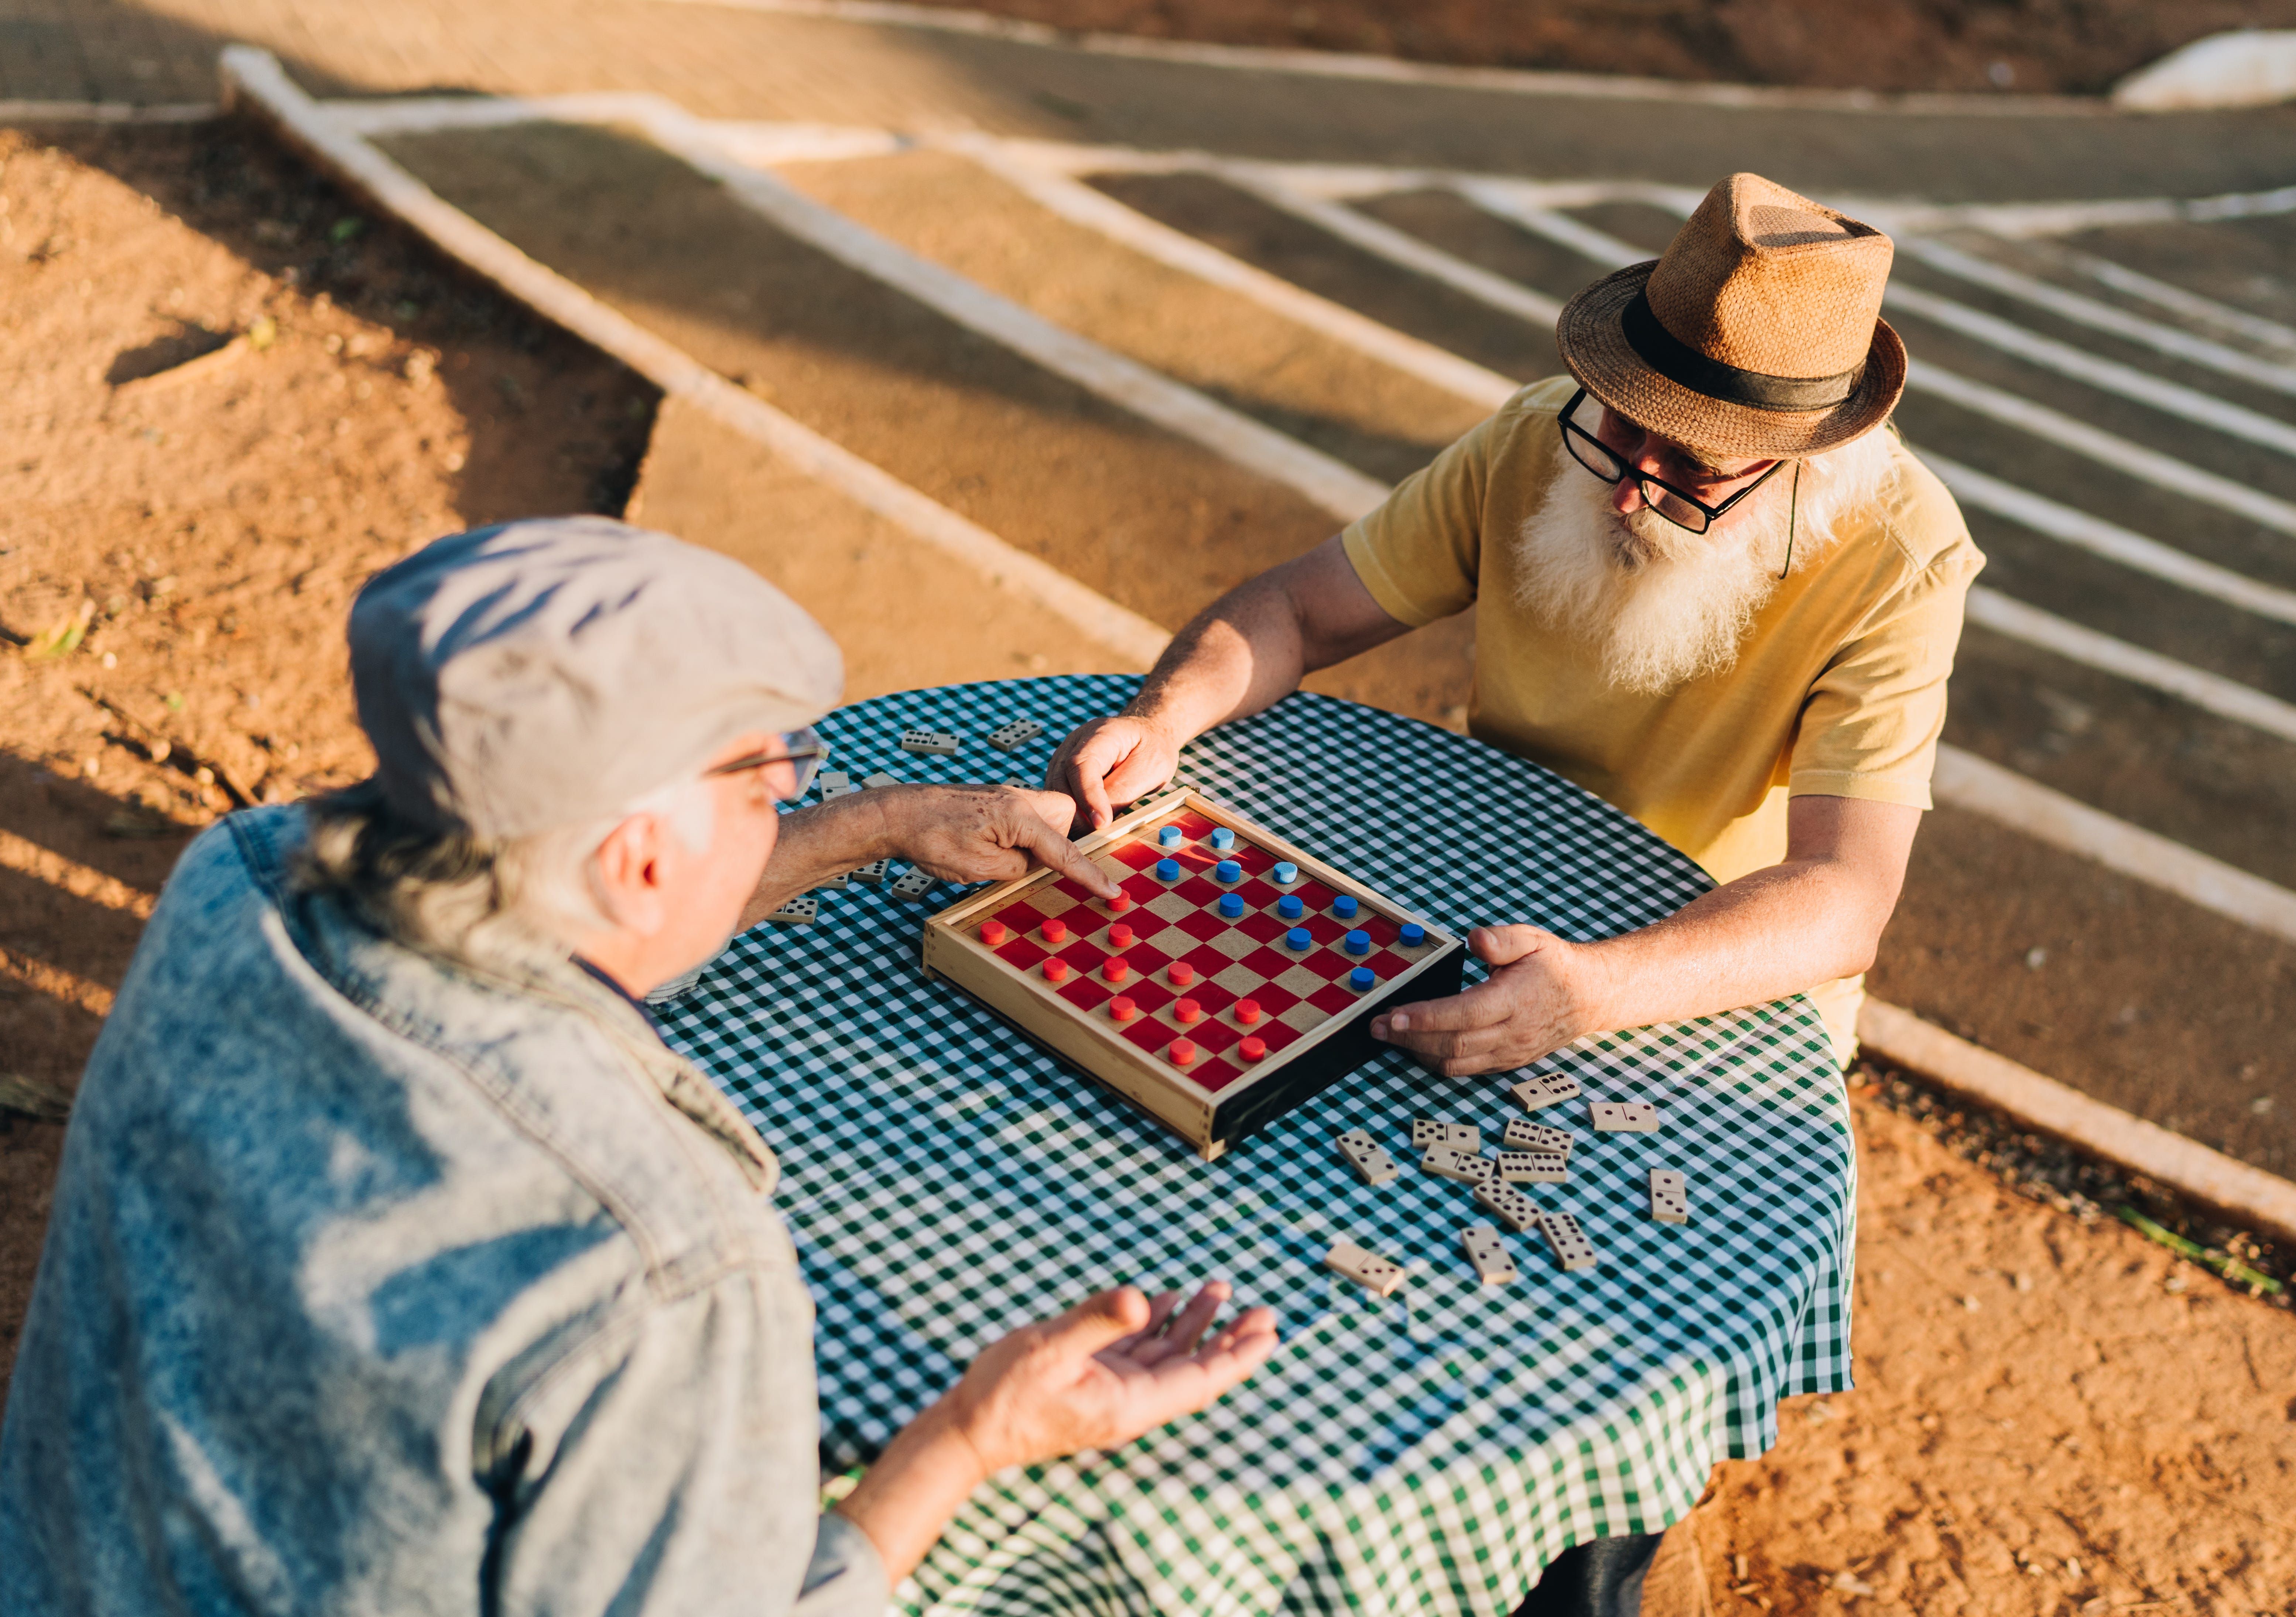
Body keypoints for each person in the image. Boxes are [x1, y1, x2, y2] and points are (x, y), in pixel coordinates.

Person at [0, 517, 1278, 1614]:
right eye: (766, 772)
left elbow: (556, 898)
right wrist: (967, 1438)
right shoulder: (661, 1262)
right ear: (644, 855)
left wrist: (873, 826)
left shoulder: (231, 880)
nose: (789, 784)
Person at [1051, 171, 1983, 1076]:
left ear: (1806, 469)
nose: (1626, 495)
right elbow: (1297, 609)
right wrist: (1163, 719)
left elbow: (1844, 896)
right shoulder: (1538, 432)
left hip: (1703, 974)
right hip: (1486, 883)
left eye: (1692, 473)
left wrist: (1594, 991)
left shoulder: (1905, 558)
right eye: (1622, 422)